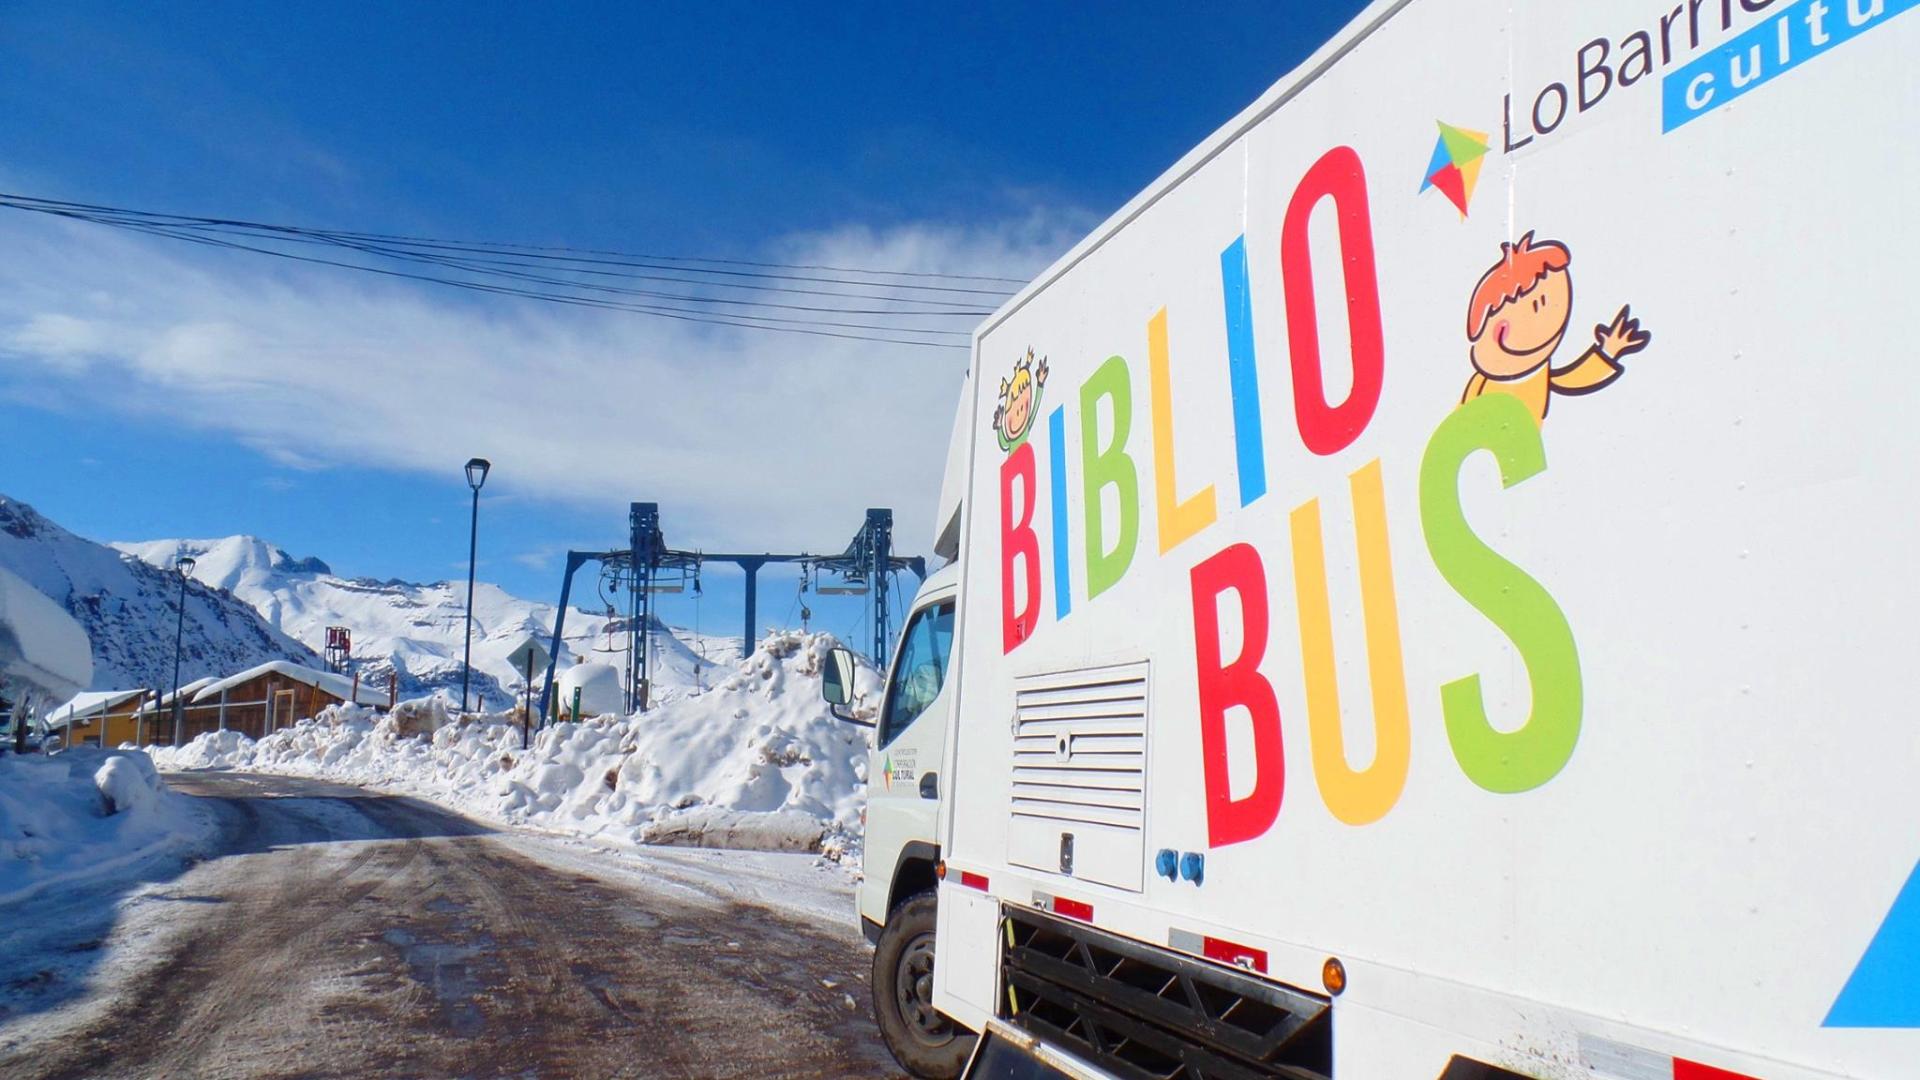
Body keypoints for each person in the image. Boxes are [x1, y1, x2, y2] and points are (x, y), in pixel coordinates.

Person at [1460, 231, 1651, 424]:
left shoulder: (1538, 373)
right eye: (1540, 305)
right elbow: (1462, 417)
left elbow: (1573, 379)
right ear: (1500, 331)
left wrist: (1608, 352)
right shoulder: (1484, 382)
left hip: (1526, 445)